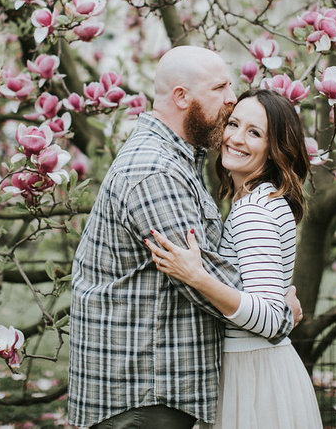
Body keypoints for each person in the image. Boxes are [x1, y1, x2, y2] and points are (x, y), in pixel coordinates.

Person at [67, 47, 301, 429]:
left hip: (150, 392)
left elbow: (208, 272)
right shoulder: (156, 171)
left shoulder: (178, 162)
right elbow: (206, 281)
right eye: (220, 87)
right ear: (182, 97)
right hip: (141, 394)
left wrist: (268, 297)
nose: (231, 97)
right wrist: (276, 309)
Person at [145, 88, 323, 429]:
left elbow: (271, 319)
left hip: (253, 375)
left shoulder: (253, 211)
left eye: (254, 133)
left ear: (274, 150)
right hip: (260, 369)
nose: (236, 138)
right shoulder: (264, 201)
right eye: (234, 124)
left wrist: (197, 277)